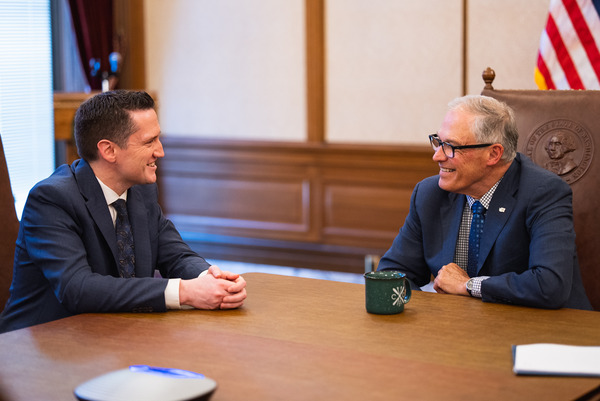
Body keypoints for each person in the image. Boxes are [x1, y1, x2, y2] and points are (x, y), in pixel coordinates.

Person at [0, 90, 247, 333]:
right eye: (149, 141)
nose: (160, 151)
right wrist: (185, 292)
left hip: (115, 337)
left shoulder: (141, 191)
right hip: (37, 349)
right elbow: (78, 288)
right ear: (109, 150)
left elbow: (175, 255)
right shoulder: (51, 200)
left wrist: (210, 278)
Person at [378, 95, 592, 310]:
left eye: (451, 146)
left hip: (543, 331)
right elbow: (392, 273)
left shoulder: (544, 193)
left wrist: (469, 285)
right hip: (457, 332)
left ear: (493, 154)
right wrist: (430, 316)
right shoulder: (429, 193)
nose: (437, 156)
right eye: (438, 142)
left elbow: (549, 285)